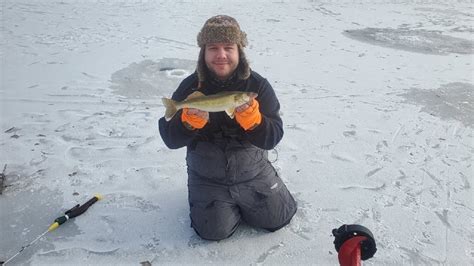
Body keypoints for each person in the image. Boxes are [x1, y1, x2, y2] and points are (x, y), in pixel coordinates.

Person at [159, 15, 297, 241]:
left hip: (251, 170)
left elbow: (274, 136)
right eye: (213, 47)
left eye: (228, 47)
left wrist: (256, 122)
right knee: (213, 231)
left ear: (239, 51)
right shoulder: (190, 87)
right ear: (203, 53)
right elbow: (170, 139)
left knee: (278, 217)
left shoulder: (258, 85)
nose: (221, 55)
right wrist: (186, 124)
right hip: (207, 174)